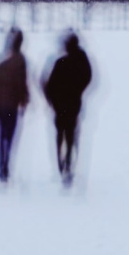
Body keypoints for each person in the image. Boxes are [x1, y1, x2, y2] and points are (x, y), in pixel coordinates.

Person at [41, 31, 94, 186]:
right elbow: (88, 77)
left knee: (60, 135)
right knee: (70, 137)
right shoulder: (81, 60)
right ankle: (69, 168)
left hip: (59, 107)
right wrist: (78, 91)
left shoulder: (61, 63)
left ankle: (61, 165)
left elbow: (50, 85)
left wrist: (52, 101)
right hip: (73, 106)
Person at [0, 28, 30, 184]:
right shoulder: (20, 60)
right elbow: (22, 84)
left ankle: (2, 166)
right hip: (11, 105)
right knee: (8, 136)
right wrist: (24, 101)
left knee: (0, 135)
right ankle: (5, 165)